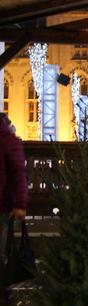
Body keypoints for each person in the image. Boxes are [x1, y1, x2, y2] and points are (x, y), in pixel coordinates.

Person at [0, 113, 28, 286]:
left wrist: (20, 204)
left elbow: (18, 175)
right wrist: (20, 205)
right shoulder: (10, 140)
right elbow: (19, 174)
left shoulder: (8, 141)